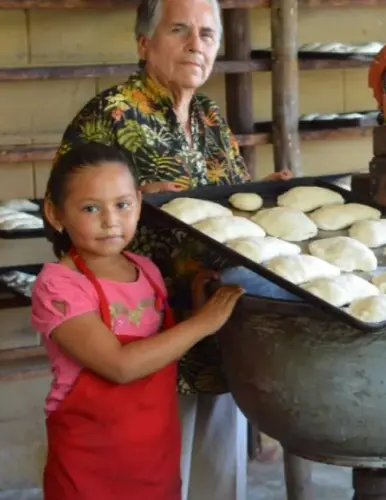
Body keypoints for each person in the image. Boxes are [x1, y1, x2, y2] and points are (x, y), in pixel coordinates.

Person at [52, 0, 291, 497]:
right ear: (144, 43)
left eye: (206, 34)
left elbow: (224, 205)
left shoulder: (206, 116)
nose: (194, 44)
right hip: (144, 333)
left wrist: (265, 195)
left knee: (217, 474)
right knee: (156, 472)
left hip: (216, 317)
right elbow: (65, 216)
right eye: (179, 30)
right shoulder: (111, 116)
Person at [31, 143, 245, 500]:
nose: (110, 220)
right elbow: (120, 366)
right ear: (55, 214)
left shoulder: (145, 270)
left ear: (139, 205)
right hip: (90, 463)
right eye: (90, 208)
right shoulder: (59, 286)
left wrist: (196, 305)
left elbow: (159, 350)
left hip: (153, 455)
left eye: (122, 205)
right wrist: (204, 323)